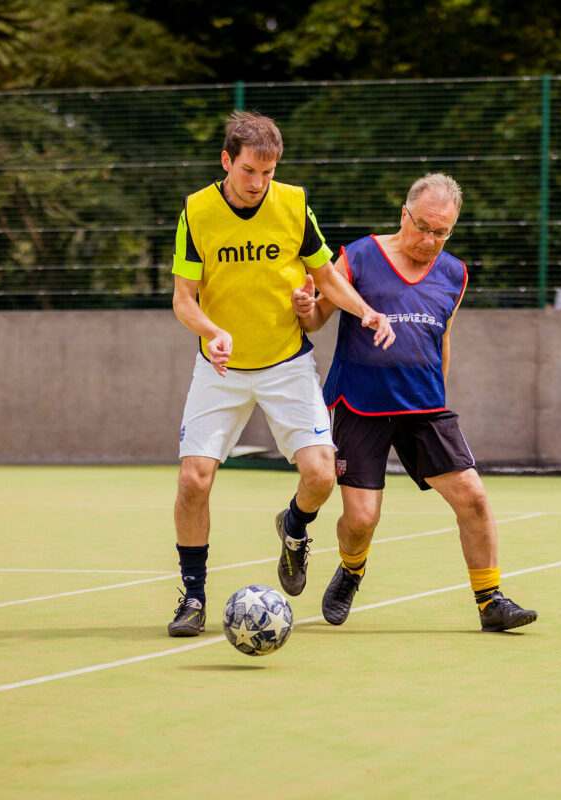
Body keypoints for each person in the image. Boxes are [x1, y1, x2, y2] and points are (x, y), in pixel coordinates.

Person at [167, 110, 395, 637]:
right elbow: (184, 300)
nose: (258, 183)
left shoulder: (293, 204)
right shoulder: (196, 212)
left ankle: (294, 528)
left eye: (268, 173)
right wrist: (211, 331)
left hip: (286, 362)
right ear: (227, 161)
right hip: (221, 366)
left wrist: (365, 311)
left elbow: (326, 276)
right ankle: (193, 596)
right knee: (193, 479)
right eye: (249, 171)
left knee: (321, 474)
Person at [292, 172, 538, 633]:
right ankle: (351, 569)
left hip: (424, 405)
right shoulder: (359, 255)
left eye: (441, 232)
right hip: (359, 403)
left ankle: (491, 601)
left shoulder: (454, 273)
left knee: (474, 498)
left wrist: (440, 393)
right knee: (362, 519)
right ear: (403, 214)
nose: (430, 240)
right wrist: (307, 307)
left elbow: (442, 338)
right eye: (422, 227)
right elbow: (315, 320)